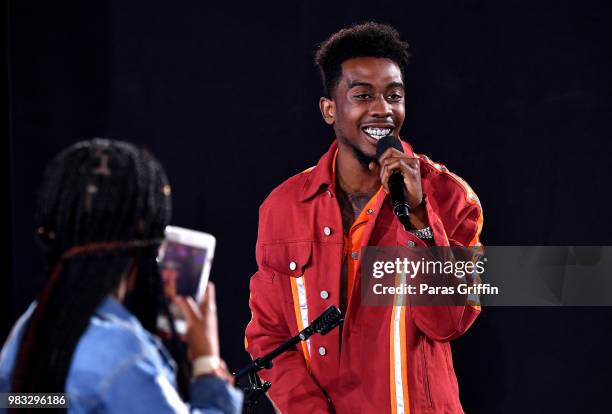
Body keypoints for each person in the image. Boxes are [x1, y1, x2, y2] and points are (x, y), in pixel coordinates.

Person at [245, 23, 483, 413]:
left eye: (394, 95)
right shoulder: (283, 206)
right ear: (329, 110)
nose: (383, 109)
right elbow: (270, 336)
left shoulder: (451, 197)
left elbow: (450, 322)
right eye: (363, 95)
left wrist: (419, 217)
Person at [0, 139, 242, 413]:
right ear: (144, 229)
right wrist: (207, 365)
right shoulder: (124, 353)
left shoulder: (31, 326)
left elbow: (18, 400)